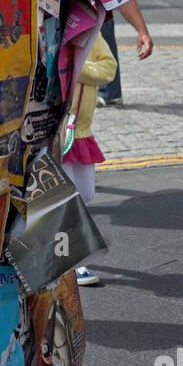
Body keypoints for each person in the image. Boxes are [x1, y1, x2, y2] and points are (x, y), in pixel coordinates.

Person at [59, 30, 117, 286]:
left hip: (81, 131)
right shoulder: (56, 33)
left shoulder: (95, 34)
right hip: (58, 130)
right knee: (69, 201)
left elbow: (109, 69)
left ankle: (64, 255)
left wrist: (80, 67)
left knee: (86, 194)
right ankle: (74, 262)